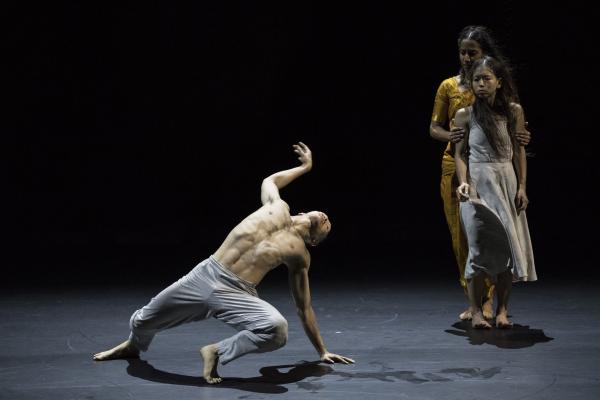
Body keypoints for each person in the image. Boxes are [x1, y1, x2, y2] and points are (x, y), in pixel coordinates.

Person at [93, 142, 354, 383]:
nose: (326, 219)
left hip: (237, 292)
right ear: (303, 211)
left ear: (315, 241)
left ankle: (217, 351)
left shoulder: (300, 256)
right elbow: (270, 180)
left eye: (328, 226)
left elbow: (303, 307)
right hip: (206, 274)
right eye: (325, 216)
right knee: (141, 321)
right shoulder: (277, 206)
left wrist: (322, 351)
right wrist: (305, 167)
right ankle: (133, 346)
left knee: (277, 330)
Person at [429, 25, 531, 321]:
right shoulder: (449, 87)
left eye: (472, 52)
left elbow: (513, 129)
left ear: (485, 54)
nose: (466, 58)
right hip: (458, 166)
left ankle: (492, 304)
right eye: (462, 52)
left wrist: (522, 137)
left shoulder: (496, 85)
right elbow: (434, 127)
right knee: (464, 236)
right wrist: (451, 135)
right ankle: (476, 301)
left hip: (495, 170)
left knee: (498, 235)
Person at [453, 56, 537, 329]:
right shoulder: (465, 114)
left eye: (486, 78)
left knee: (507, 248)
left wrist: (522, 186)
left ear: (499, 82)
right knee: (477, 249)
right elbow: (460, 154)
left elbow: (519, 150)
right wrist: (463, 182)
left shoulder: (513, 111)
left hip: (506, 182)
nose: (481, 84)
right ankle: (477, 311)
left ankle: (502, 311)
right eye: (476, 79)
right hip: (478, 184)